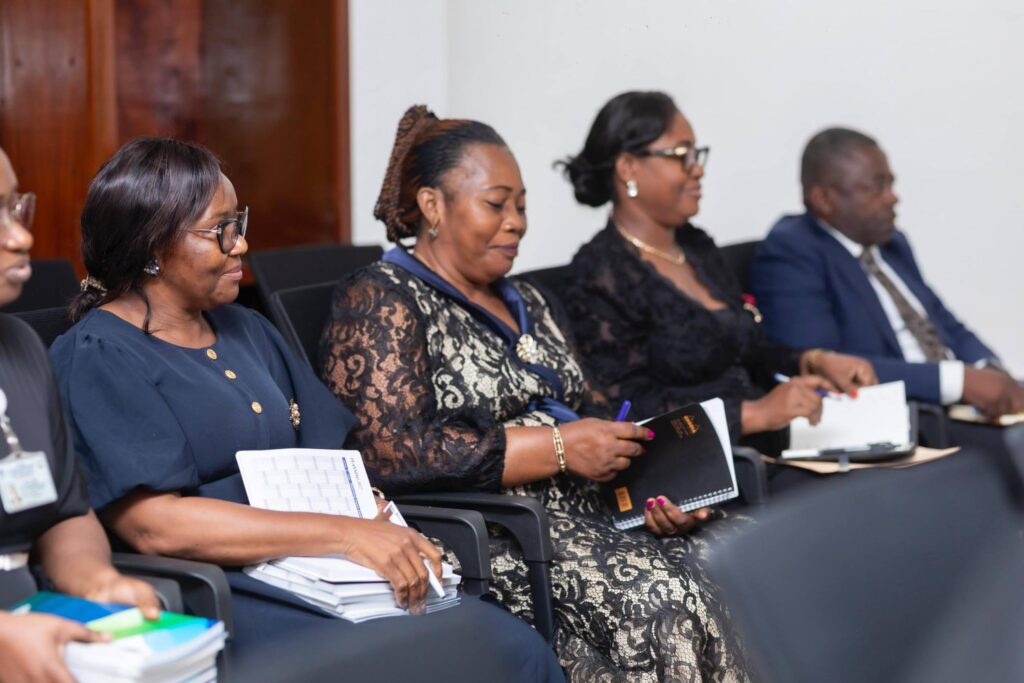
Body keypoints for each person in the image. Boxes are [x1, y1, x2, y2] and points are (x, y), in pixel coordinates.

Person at [48, 137, 563, 681]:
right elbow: (156, 527)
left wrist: (371, 510)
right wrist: (346, 534)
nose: (241, 244)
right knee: (445, 659)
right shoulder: (99, 354)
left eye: (238, 223)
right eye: (220, 230)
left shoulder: (245, 327)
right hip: (225, 585)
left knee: (509, 647)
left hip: (320, 567)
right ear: (153, 246)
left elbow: (326, 453)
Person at [321, 105, 750, 682]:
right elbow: (388, 453)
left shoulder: (530, 300)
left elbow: (596, 407)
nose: (516, 222)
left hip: (593, 506)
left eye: (521, 206)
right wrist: (559, 448)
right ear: (432, 206)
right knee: (665, 599)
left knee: (750, 557)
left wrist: (657, 494)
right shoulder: (383, 298)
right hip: (495, 533)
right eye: (496, 204)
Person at [558, 91, 876, 456]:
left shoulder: (696, 247)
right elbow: (629, 407)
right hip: (703, 467)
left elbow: (750, 348)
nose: (697, 169)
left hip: (775, 448)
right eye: (681, 155)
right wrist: (755, 414)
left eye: (697, 154)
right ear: (628, 167)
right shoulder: (599, 273)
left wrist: (815, 361)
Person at [0, 146, 162, 683]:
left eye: (14, 208)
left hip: (34, 618)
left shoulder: (21, 346)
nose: (20, 236)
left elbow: (66, 512)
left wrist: (95, 580)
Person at [751, 127, 1024, 419]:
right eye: (876, 187)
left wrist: (989, 372)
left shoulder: (892, 244)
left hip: (967, 410)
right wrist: (958, 382)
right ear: (823, 199)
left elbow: (944, 324)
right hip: (910, 418)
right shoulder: (792, 251)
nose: (893, 198)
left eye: (891, 184)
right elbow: (825, 365)